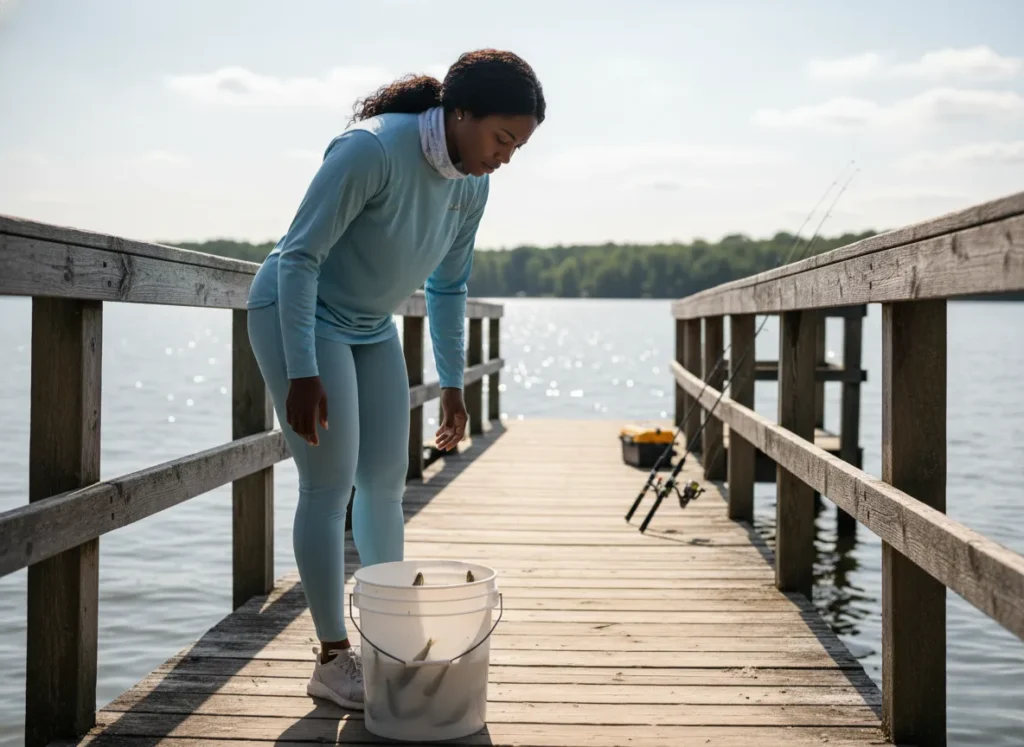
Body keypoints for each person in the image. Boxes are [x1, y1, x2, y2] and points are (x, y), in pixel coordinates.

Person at [244, 49, 545, 710]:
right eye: (502, 138)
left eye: (518, 146)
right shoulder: (370, 150)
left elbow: (448, 285)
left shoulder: (472, 183)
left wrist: (454, 384)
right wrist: (302, 370)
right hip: (301, 310)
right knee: (327, 485)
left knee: (383, 483)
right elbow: (299, 258)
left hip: (371, 324)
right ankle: (331, 656)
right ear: (459, 113)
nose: (506, 157)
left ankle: (385, 638)